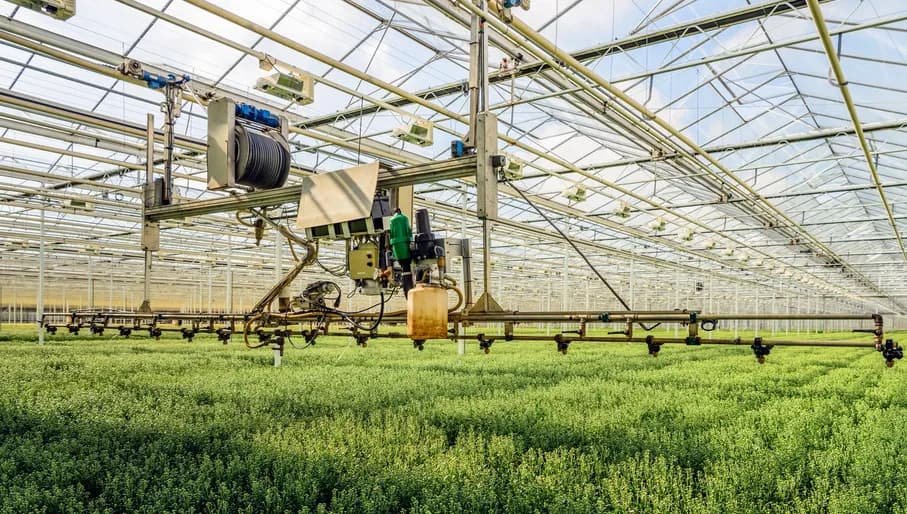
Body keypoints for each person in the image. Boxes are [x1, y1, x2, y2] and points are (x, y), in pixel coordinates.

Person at [388, 208, 414, 296]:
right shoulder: (404, 219)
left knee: (405, 267)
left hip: (398, 247)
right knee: (406, 268)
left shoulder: (392, 220)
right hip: (403, 246)